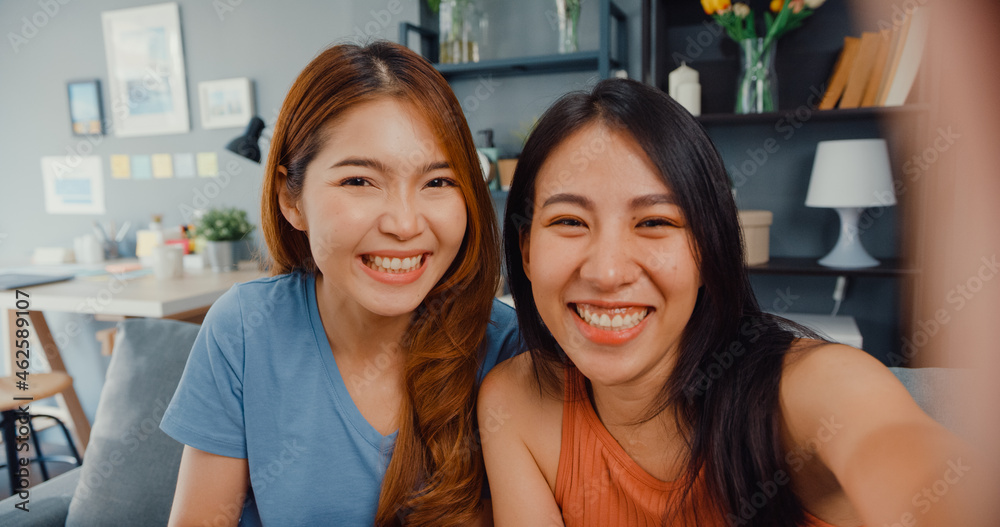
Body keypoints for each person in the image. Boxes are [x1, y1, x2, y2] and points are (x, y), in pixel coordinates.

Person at [479, 78, 974, 526]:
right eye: (569, 222)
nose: (607, 273)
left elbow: (909, 459)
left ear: (706, 251)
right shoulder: (515, 402)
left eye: (656, 223)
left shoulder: (809, 390)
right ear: (525, 250)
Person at [160, 41, 521, 527]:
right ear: (292, 200)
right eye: (359, 181)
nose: (404, 224)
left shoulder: (508, 348)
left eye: (437, 182)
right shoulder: (245, 330)